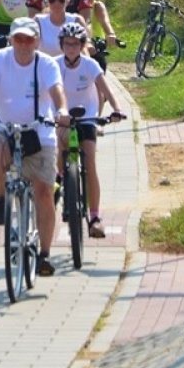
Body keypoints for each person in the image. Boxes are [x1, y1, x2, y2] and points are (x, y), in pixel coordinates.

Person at [0, 17, 68, 276]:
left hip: (39, 132)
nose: (23, 44)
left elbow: (57, 91)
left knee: (44, 193)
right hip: (4, 129)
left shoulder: (46, 64)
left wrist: (62, 110)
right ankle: (3, 197)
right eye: (18, 39)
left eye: (29, 39)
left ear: (37, 41)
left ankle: (44, 254)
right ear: (11, 39)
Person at [56, 24, 124, 238]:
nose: (71, 48)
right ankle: (59, 180)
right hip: (63, 116)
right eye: (67, 44)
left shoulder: (90, 65)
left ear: (82, 45)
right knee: (58, 146)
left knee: (90, 163)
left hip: (86, 117)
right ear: (61, 45)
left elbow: (105, 88)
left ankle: (94, 217)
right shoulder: (54, 65)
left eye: (75, 44)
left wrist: (116, 109)